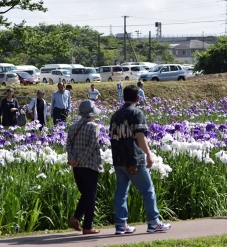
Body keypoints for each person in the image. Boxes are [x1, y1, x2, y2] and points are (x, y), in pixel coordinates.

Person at [109, 85, 171, 235]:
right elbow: (139, 135)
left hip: (118, 159)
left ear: (124, 97)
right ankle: (153, 222)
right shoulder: (137, 113)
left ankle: (121, 225)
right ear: (138, 98)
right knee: (148, 190)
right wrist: (148, 154)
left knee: (121, 192)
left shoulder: (115, 115)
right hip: (133, 158)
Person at [67, 100, 103, 235]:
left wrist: (72, 160)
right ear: (92, 113)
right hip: (90, 165)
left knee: (86, 194)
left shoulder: (72, 127)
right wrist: (81, 160)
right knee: (90, 196)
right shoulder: (94, 127)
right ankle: (87, 226)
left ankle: (76, 218)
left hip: (76, 167)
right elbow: (92, 145)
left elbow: (68, 145)